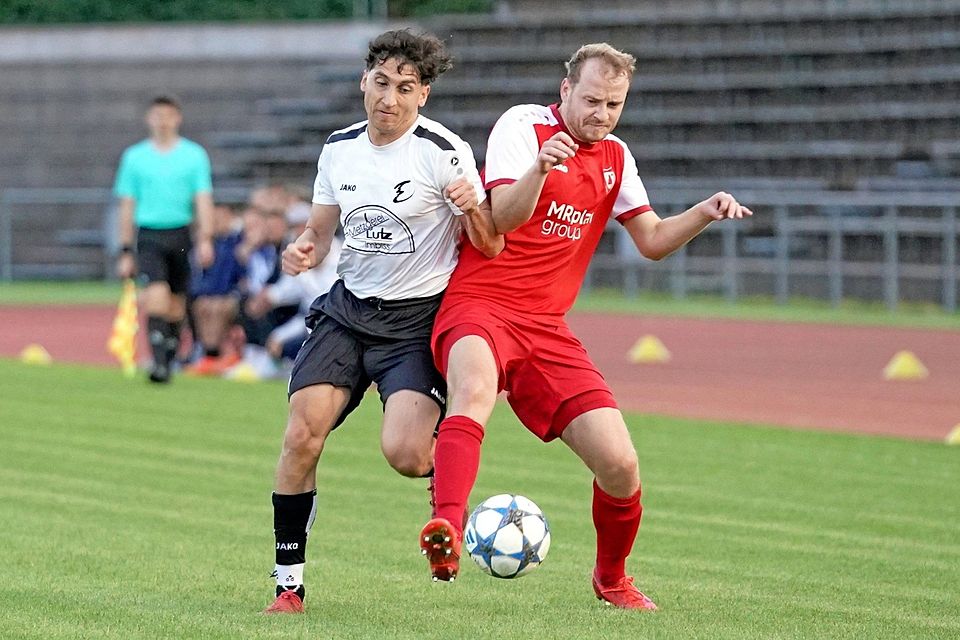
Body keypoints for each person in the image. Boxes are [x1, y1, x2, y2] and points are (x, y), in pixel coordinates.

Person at [419, 43, 753, 609]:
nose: (602, 114)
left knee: (620, 464)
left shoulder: (616, 156)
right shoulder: (523, 126)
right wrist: (540, 167)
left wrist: (704, 211)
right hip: (480, 302)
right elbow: (501, 221)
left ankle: (612, 579)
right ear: (566, 89)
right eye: (593, 100)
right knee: (473, 392)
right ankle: (445, 530)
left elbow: (650, 241)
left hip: (547, 328)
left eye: (615, 104)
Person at [263, 29, 503, 615]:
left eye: (404, 87)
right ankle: (288, 586)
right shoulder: (338, 148)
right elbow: (319, 231)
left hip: (418, 322)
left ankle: (443, 480)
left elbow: (491, 244)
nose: (388, 98)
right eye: (380, 82)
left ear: (422, 95)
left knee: (406, 455)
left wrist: (472, 205)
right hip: (348, 312)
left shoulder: (443, 150)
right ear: (363, 83)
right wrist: (302, 250)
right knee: (300, 437)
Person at [113, 95, 215, 383]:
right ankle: (159, 364)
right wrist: (124, 249)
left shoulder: (193, 156)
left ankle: (169, 355)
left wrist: (205, 237)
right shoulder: (135, 157)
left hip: (180, 233)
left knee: (176, 303)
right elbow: (127, 205)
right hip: (150, 234)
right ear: (149, 119)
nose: (162, 121)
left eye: (168, 115)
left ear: (177, 118)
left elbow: (203, 199)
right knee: (155, 296)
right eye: (157, 115)